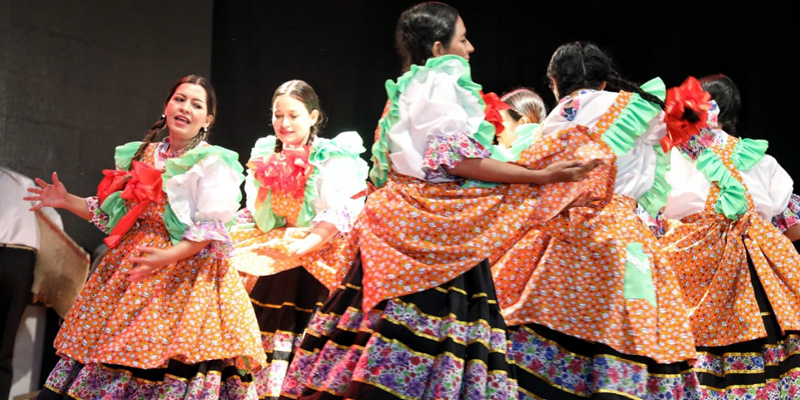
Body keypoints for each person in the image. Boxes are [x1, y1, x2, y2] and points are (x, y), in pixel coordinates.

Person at [279, 3, 603, 399]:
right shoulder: (441, 84)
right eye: (462, 39)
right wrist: (540, 175)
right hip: (432, 230)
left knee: (374, 327)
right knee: (431, 328)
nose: (470, 48)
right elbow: (456, 160)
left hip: (398, 220)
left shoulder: (410, 85)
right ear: (437, 48)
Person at [26, 75, 266, 399]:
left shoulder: (211, 162)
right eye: (179, 99)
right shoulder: (143, 153)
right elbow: (114, 213)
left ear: (208, 119)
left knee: (159, 360)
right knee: (107, 352)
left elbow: (211, 227)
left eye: (196, 104)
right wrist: (68, 201)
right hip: (133, 268)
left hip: (185, 275)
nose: (185, 108)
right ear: (167, 106)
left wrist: (168, 256)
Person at [492, 42, 701, 399]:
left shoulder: (552, 121)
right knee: (627, 324)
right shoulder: (636, 108)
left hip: (561, 228)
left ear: (555, 82)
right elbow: (677, 134)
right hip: (618, 233)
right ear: (604, 81)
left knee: (543, 313)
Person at [660, 73, 800, 398]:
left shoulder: (674, 159)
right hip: (754, 279)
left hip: (696, 273)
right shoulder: (760, 162)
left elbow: (653, 216)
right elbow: (792, 223)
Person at [228, 79, 368, 399]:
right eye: (278, 115)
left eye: (294, 115)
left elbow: (343, 210)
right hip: (280, 248)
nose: (284, 123)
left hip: (317, 250)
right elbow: (255, 209)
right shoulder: (266, 152)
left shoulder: (330, 155)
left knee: (310, 332)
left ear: (313, 116)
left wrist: (301, 247)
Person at [0, 167, 63, 400]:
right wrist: (45, 280)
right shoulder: (22, 180)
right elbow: (55, 228)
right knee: (3, 350)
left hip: (16, 255)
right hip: (22, 262)